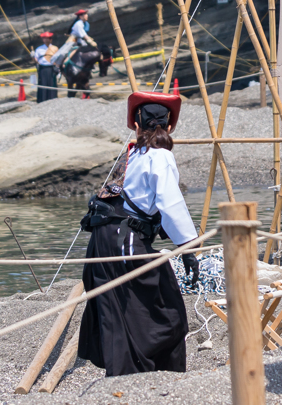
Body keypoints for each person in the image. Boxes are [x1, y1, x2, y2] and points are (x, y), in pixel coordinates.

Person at [78, 91, 200, 376]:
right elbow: (170, 203)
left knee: (118, 305)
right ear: (169, 127)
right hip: (126, 239)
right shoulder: (160, 157)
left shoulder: (130, 154)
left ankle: (122, 371)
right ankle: (152, 373)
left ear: (136, 125)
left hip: (102, 239)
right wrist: (188, 249)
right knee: (164, 308)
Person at [33, 32, 59, 103]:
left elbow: (58, 59)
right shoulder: (39, 49)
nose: (46, 40)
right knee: (43, 83)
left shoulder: (54, 48)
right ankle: (42, 100)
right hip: (43, 68)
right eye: (44, 38)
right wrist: (32, 56)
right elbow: (36, 60)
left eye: (48, 38)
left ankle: (53, 99)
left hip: (51, 68)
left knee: (52, 84)